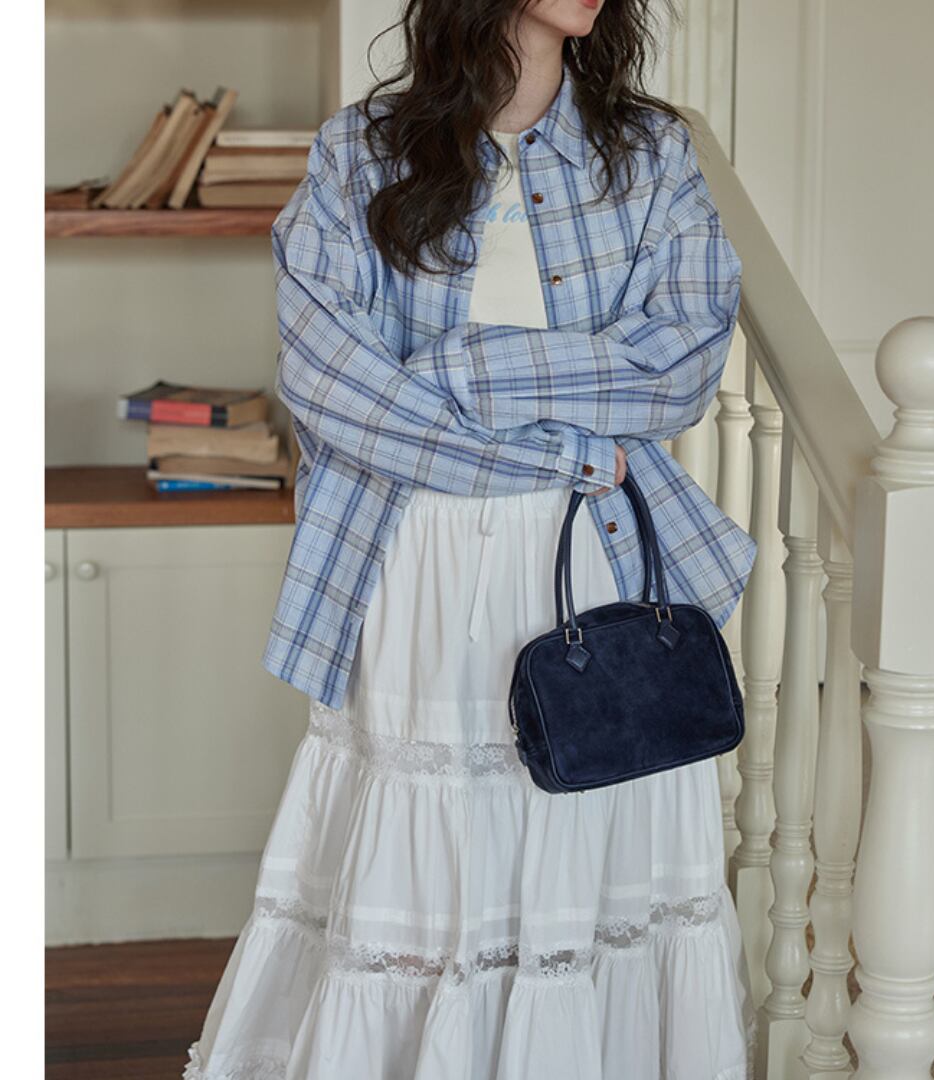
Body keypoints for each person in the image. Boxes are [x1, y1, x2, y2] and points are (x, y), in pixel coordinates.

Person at [184, 1, 757, 1077]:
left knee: (587, 822)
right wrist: (567, 447)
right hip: (422, 557)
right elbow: (332, 381)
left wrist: (462, 368)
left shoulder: (651, 151)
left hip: (589, 550)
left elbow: (680, 363)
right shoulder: (360, 150)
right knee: (435, 865)